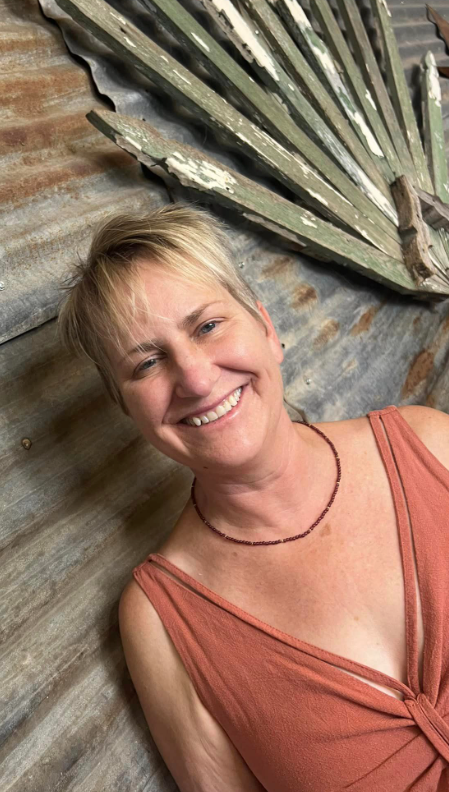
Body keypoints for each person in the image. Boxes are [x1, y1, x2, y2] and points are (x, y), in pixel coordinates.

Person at [57, 202, 449, 791]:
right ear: (126, 408)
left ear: (267, 328)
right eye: (146, 363)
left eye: (207, 326)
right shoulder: (162, 622)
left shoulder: (430, 445)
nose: (193, 377)